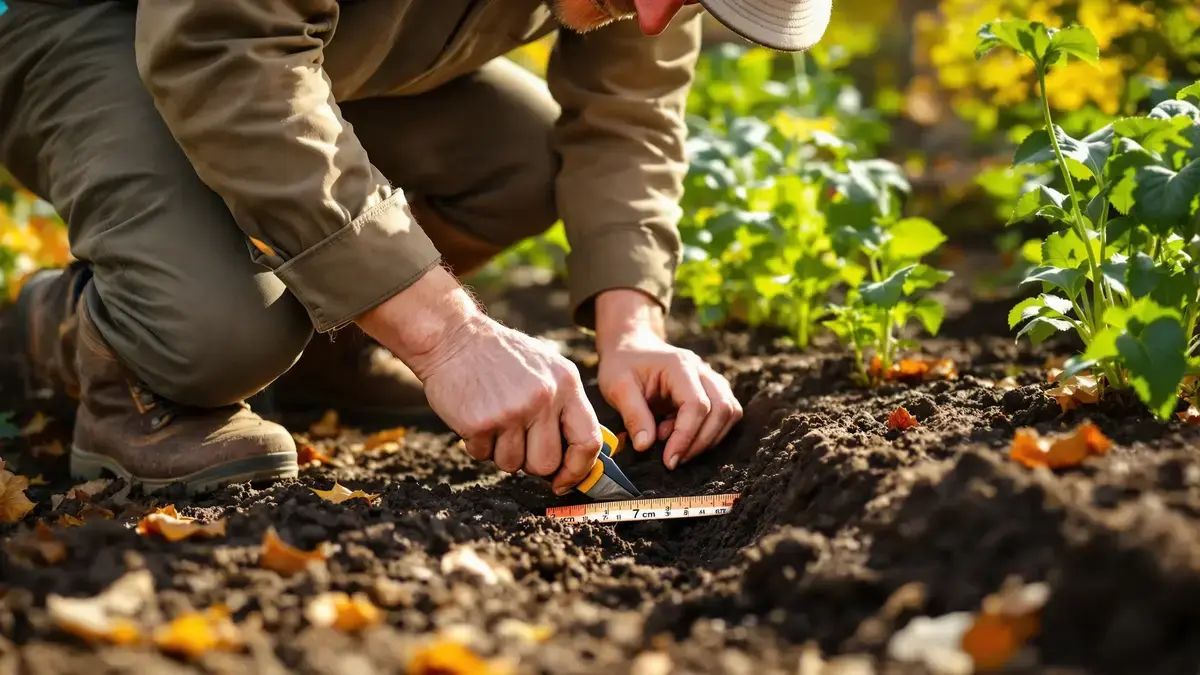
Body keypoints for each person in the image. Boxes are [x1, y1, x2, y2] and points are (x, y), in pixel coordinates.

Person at [0, 0, 832, 495]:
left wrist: (633, 328)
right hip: (93, 27)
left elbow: (629, 113)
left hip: (298, 56)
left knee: (523, 158)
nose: (654, 16)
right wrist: (447, 335)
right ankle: (94, 341)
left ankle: (332, 337)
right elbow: (222, 50)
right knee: (218, 337)